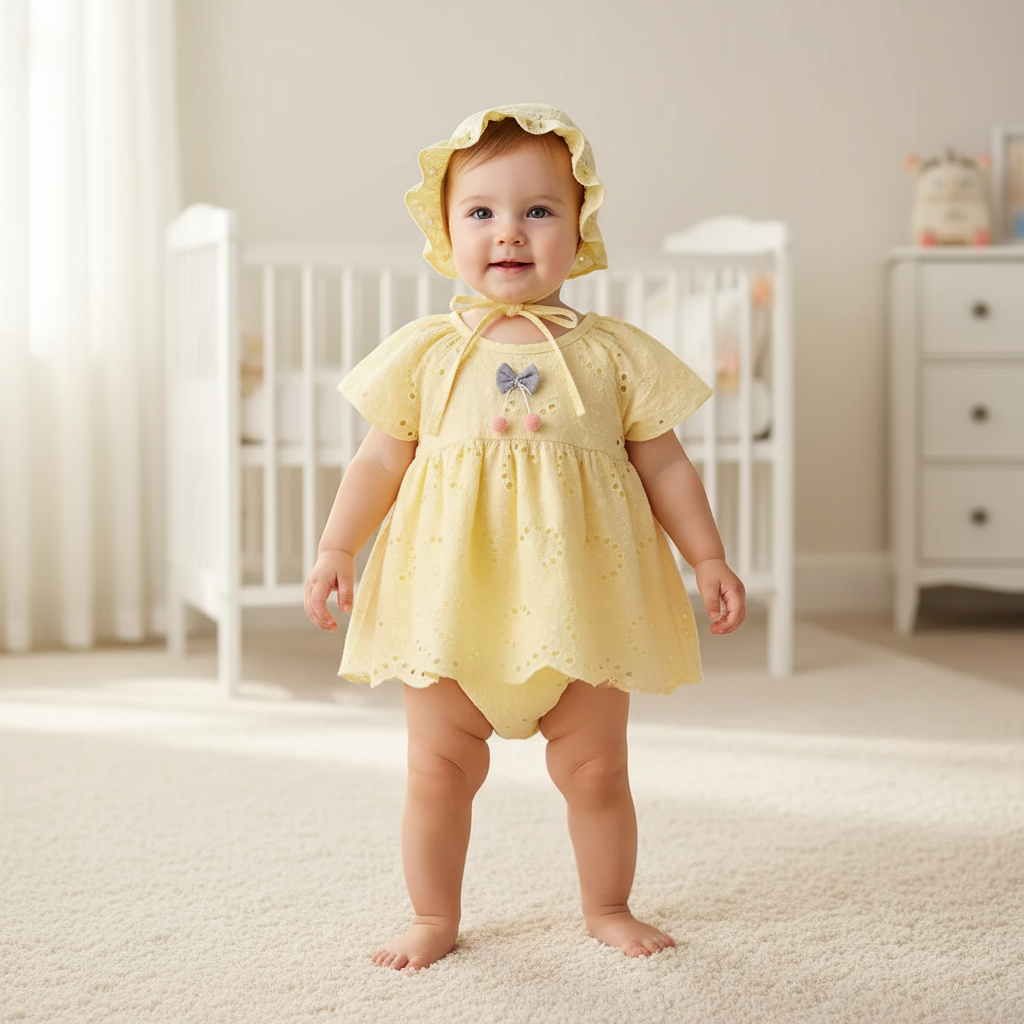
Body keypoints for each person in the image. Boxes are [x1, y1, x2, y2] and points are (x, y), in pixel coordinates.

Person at [305, 103, 745, 972]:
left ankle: (608, 904)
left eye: (538, 210)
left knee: (596, 773)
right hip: (449, 612)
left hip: (579, 608)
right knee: (438, 773)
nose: (509, 231)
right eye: (482, 212)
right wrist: (335, 548)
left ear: (579, 228)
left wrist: (708, 555)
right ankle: (433, 916)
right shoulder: (428, 350)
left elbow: (664, 469)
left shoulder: (612, 351)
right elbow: (377, 464)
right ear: (445, 231)